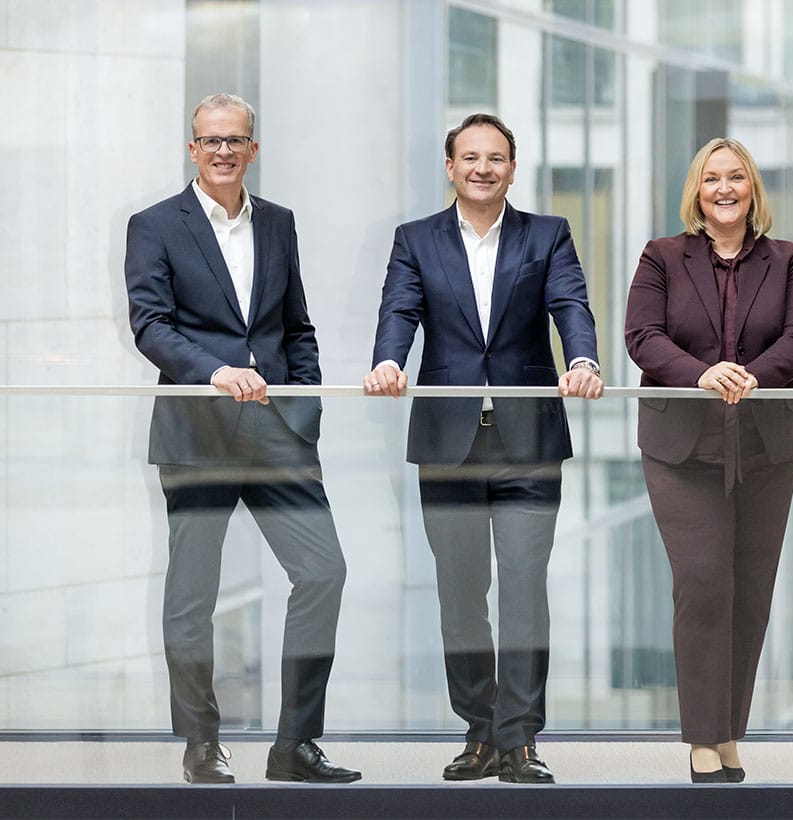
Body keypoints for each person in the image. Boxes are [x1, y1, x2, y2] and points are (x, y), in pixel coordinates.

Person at [125, 93, 360, 785]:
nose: (223, 151)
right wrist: (216, 372)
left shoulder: (280, 223)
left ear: (253, 148)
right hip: (196, 433)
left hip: (278, 432)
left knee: (323, 572)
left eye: (236, 140)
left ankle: (295, 746)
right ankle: (202, 742)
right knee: (193, 595)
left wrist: (305, 407)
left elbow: (297, 327)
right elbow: (150, 324)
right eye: (210, 140)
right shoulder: (154, 225)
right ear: (192, 148)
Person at [364, 113, 603, 784]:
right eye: (470, 157)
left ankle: (521, 737)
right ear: (450, 167)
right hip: (447, 441)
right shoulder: (416, 240)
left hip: (528, 440)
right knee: (460, 592)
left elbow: (571, 306)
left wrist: (581, 358)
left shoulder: (547, 235)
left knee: (525, 589)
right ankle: (480, 731)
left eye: (495, 158)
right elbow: (398, 311)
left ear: (512, 168)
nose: (482, 168)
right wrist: (387, 362)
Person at [624, 137, 793, 783]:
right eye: (713, 178)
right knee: (704, 584)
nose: (725, 187)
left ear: (752, 189)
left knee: (750, 594)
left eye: (737, 177)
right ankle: (703, 739)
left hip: (766, 446)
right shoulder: (661, 257)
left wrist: (750, 378)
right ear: (697, 190)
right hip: (682, 449)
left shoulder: (787, 259)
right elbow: (641, 337)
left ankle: (728, 733)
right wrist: (704, 374)